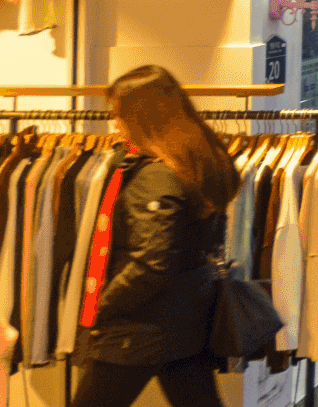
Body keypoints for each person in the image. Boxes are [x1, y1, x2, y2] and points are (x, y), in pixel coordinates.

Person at [71, 66, 238, 407]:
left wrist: (104, 305)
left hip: (140, 329)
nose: (114, 125)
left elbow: (151, 262)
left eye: (118, 116)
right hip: (185, 320)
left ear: (144, 118)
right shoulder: (196, 160)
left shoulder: (156, 176)